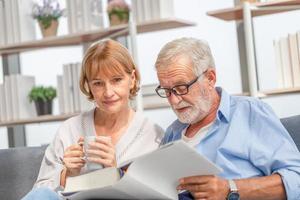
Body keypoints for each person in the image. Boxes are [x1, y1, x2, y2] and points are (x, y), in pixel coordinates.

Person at [154, 37, 300, 200]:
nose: (174, 100)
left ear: (210, 78)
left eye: (181, 88)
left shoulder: (249, 112)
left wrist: (231, 189)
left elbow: (296, 179)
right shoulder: (173, 132)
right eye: (167, 91)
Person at [22, 39, 164, 199]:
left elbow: (157, 195)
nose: (108, 92)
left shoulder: (153, 135)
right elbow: (39, 192)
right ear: (88, 85)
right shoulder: (69, 129)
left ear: (132, 79)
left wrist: (116, 174)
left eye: (117, 80)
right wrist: (66, 175)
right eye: (98, 83)